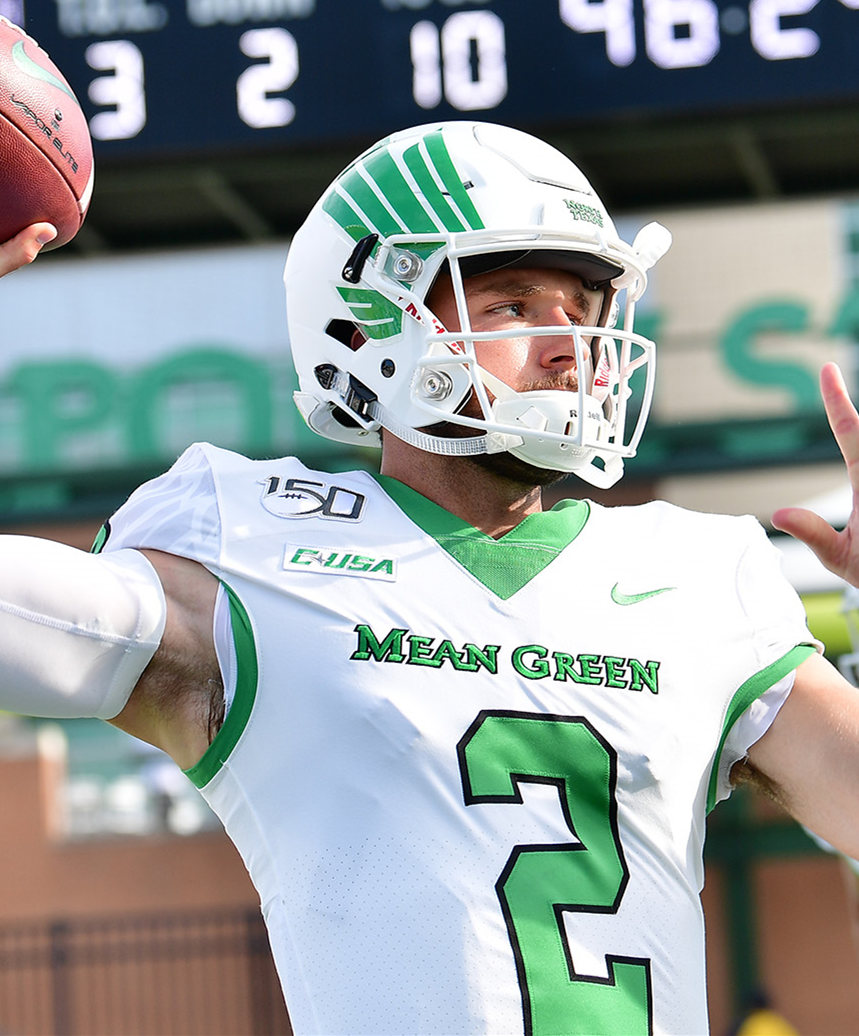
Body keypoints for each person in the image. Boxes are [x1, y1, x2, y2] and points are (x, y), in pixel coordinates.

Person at [2, 120, 859, 1036]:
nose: (571, 349)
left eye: (584, 310)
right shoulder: (244, 546)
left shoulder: (694, 575)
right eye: (512, 307)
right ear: (367, 326)